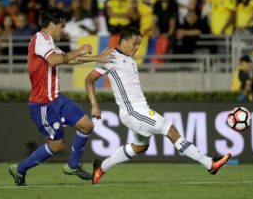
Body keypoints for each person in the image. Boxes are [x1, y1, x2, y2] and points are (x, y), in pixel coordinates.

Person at [85, 26, 232, 185]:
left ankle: (101, 167)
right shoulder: (110, 56)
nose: (137, 47)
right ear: (124, 41)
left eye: (139, 44)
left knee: (140, 147)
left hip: (138, 110)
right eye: (134, 43)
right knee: (170, 130)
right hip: (133, 111)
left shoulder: (129, 59)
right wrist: (95, 105)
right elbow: (89, 80)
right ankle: (210, 164)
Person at [9, 7, 113, 186]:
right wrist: (80, 50)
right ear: (50, 25)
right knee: (57, 146)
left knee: (87, 125)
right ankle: (19, 169)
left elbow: (68, 59)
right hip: (43, 104)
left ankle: (72, 166)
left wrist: (97, 57)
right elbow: (54, 60)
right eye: (61, 26)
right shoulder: (40, 39)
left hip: (57, 99)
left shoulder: (49, 41)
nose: (63, 30)